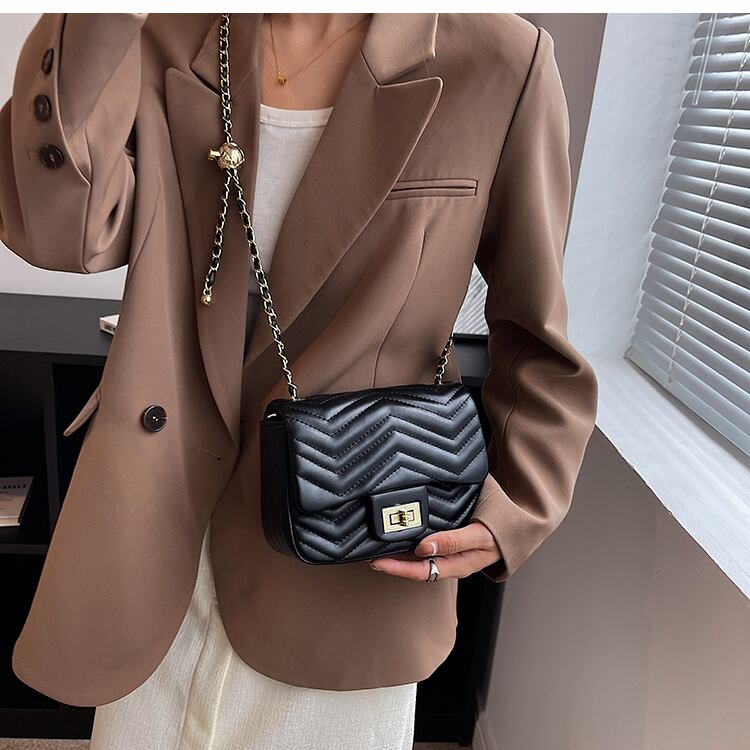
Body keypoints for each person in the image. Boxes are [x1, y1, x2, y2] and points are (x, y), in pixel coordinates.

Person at [0, 12, 598, 749]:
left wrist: (516, 507)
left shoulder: (500, 60)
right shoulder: (168, 36)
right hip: (159, 539)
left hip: (347, 558)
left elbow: (535, 333)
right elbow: (60, 233)